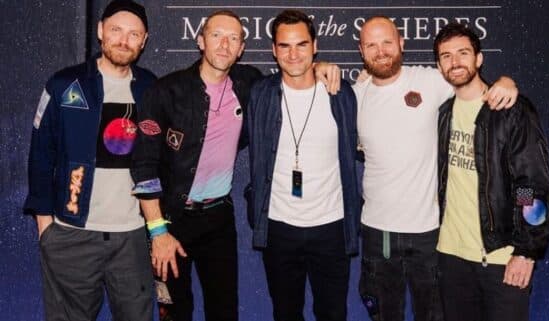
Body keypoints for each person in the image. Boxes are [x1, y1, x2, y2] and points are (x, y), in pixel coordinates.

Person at [130, 9, 341, 321]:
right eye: (216, 35)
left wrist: (319, 66)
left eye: (233, 39)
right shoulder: (165, 92)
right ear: (200, 41)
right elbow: (144, 166)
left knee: (224, 311)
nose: (224, 45)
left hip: (218, 220)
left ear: (242, 49)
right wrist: (157, 232)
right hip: (171, 221)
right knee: (173, 312)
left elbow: (294, 73)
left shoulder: (249, 85)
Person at [354, 16, 519, 321]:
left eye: (387, 42)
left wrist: (505, 82)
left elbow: (470, 80)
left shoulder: (432, 80)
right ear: (361, 51)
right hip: (379, 233)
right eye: (371, 45)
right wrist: (318, 66)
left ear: (401, 43)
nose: (381, 51)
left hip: (431, 234)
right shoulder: (355, 95)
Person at [23, 1, 155, 320]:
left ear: (144, 40)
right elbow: (41, 154)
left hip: (133, 236)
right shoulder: (64, 85)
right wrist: (46, 227)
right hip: (72, 235)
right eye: (116, 30)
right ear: (100, 31)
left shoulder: (152, 88)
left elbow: (160, 160)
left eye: (133, 33)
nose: (124, 40)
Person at [245, 10, 359, 321]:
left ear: (315, 46)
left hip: (331, 228)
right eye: (284, 46)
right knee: (285, 312)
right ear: (273, 50)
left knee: (333, 313)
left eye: (301, 45)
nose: (293, 54)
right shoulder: (260, 94)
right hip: (279, 227)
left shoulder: (342, 94)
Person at [434, 22, 549, 321]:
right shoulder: (443, 113)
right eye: (446, 56)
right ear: (439, 65)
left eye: (462, 53)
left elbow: (530, 185)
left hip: (501, 257)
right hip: (452, 258)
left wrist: (526, 250)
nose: (455, 62)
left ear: (479, 58)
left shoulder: (511, 110)